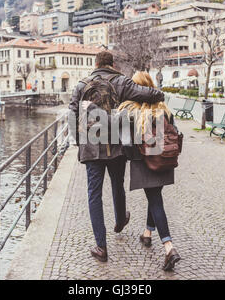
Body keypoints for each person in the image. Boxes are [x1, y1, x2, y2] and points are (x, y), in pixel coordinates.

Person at [69, 51, 164, 263]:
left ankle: (101, 247)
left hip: (91, 146)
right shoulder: (121, 82)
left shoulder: (81, 85)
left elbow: (72, 114)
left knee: (94, 194)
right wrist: (160, 96)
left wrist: (79, 141)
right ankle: (121, 219)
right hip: (116, 146)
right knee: (117, 183)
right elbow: (147, 93)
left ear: (95, 64)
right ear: (112, 64)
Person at [118, 71, 181, 271]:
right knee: (154, 195)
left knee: (155, 200)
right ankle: (147, 233)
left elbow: (126, 142)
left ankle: (169, 247)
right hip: (165, 160)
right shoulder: (164, 108)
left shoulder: (130, 111)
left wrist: (133, 156)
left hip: (145, 161)